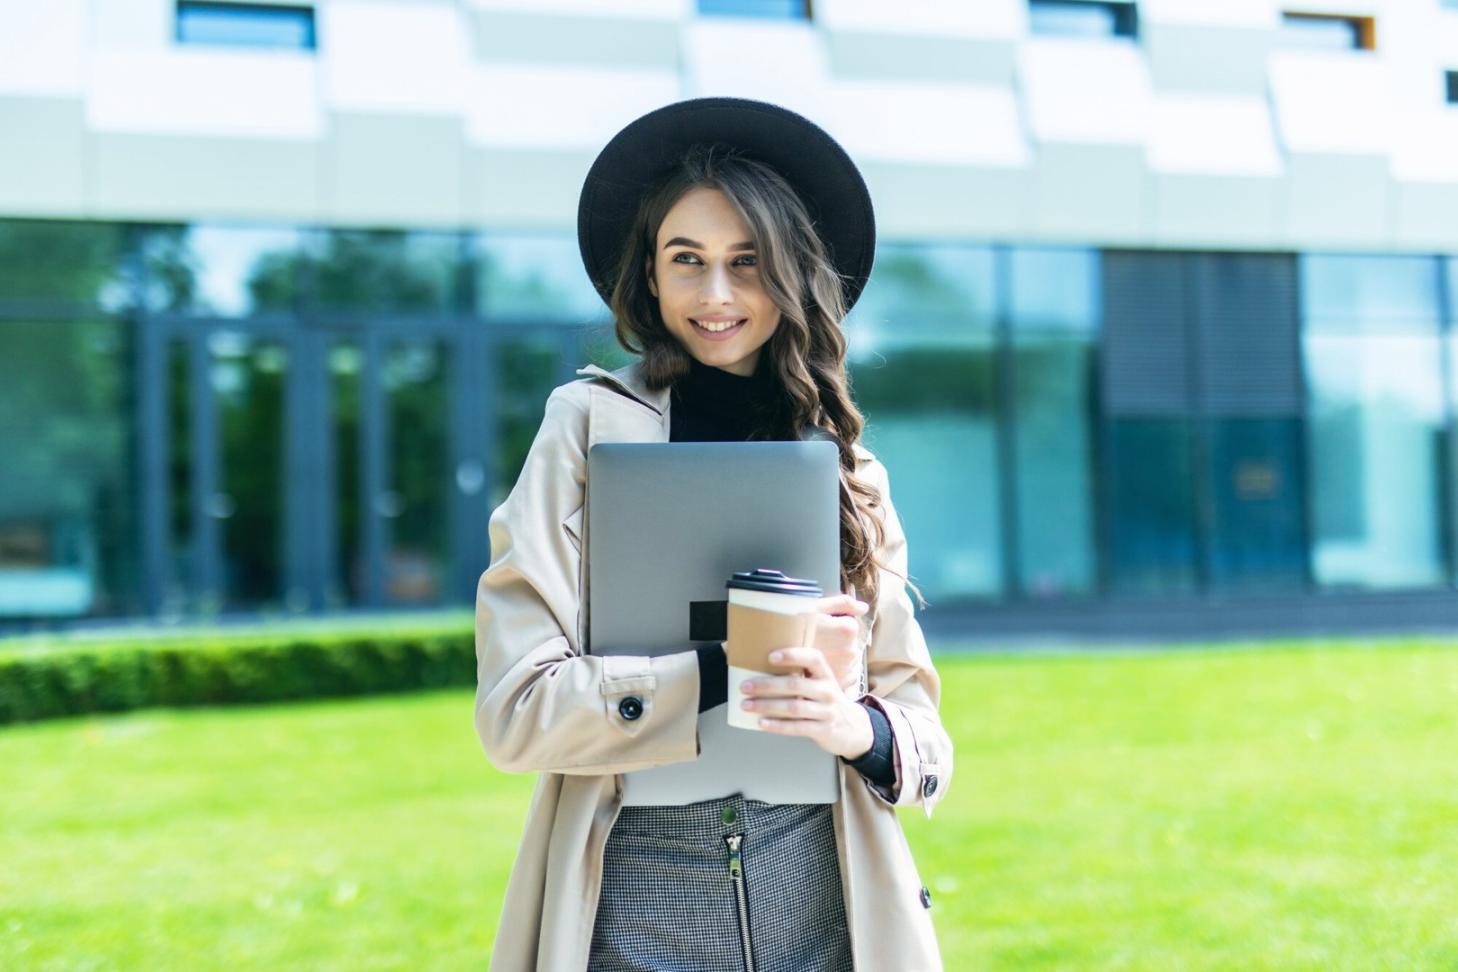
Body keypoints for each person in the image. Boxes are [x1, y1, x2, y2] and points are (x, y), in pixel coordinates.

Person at [474, 97, 953, 971]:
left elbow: (922, 735)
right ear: (650, 278)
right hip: (633, 897)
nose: (717, 294)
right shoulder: (583, 429)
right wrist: (724, 668)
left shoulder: (849, 469)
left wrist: (854, 727)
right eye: (687, 259)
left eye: (747, 262)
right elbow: (515, 714)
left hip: (828, 899)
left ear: (791, 273)